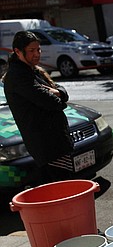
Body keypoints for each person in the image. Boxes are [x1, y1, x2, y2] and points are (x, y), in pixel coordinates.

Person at [3, 31, 74, 184]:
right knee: (60, 187)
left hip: (56, 142)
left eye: (38, 49)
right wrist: (59, 97)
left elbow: (58, 90)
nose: (37, 54)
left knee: (64, 185)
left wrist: (58, 93)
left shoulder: (32, 70)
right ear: (17, 51)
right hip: (48, 146)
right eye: (31, 50)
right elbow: (53, 102)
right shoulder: (18, 76)